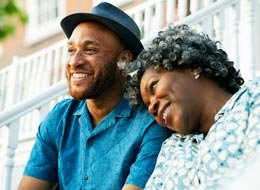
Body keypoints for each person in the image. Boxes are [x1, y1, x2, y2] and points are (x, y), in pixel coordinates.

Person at [18, 2, 171, 190]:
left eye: (90, 50)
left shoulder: (150, 123)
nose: (74, 62)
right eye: (71, 50)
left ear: (123, 60)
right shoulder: (60, 117)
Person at [124, 24, 260, 189]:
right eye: (148, 105)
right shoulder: (171, 149)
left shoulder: (253, 97)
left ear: (192, 66)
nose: (152, 107)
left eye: (153, 86)